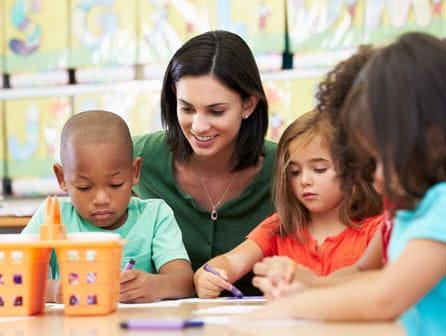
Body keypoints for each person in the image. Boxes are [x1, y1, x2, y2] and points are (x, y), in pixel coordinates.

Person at [247, 32, 446, 336]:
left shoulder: (441, 207)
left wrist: (292, 308)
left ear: (431, 139)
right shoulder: (412, 212)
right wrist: (306, 293)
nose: (375, 178)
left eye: (381, 161)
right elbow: (375, 279)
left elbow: (385, 296)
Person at [132, 30, 277, 295]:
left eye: (216, 111)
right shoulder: (137, 157)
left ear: (248, 104)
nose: (198, 126)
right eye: (187, 108)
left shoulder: (286, 167)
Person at [193, 109, 383, 298]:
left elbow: (380, 286)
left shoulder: (377, 230)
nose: (304, 180)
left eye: (319, 169)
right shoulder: (279, 227)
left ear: (354, 169)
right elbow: (231, 262)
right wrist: (207, 276)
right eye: (294, 172)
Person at [252, 45, 388, 297]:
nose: (367, 173)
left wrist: (299, 297)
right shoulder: (396, 214)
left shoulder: (433, 212)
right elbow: (360, 272)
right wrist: (305, 283)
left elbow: (386, 295)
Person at [22, 110, 194, 303]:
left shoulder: (155, 215)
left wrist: (156, 286)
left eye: (115, 185)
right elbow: (13, 275)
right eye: (84, 187)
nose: (101, 199)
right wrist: (53, 291)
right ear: (62, 178)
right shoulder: (52, 216)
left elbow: (185, 281)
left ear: (134, 172)